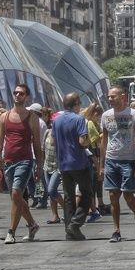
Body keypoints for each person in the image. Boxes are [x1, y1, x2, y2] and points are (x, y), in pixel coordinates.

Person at [0, 84, 44, 244]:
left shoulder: (32, 118)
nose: (17, 95)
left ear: (26, 97)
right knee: (16, 197)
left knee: (15, 194)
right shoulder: (4, 117)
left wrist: (39, 165)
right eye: (15, 93)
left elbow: (36, 144)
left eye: (21, 93)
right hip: (8, 162)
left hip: (25, 161)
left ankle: (11, 232)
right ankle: (32, 224)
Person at [100, 87, 135, 243]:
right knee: (113, 196)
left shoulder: (134, 115)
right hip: (111, 160)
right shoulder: (106, 115)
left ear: (122, 97)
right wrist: (101, 164)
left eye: (113, 96)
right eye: (109, 97)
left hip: (128, 160)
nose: (110, 99)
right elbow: (104, 141)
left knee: (127, 195)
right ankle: (116, 230)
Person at [52, 93, 92, 240]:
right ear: (75, 104)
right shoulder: (79, 119)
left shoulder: (56, 120)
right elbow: (83, 141)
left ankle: (69, 231)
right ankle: (75, 224)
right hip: (79, 162)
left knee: (68, 197)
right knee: (87, 194)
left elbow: (53, 141)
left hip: (63, 163)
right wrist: (89, 142)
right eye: (79, 102)